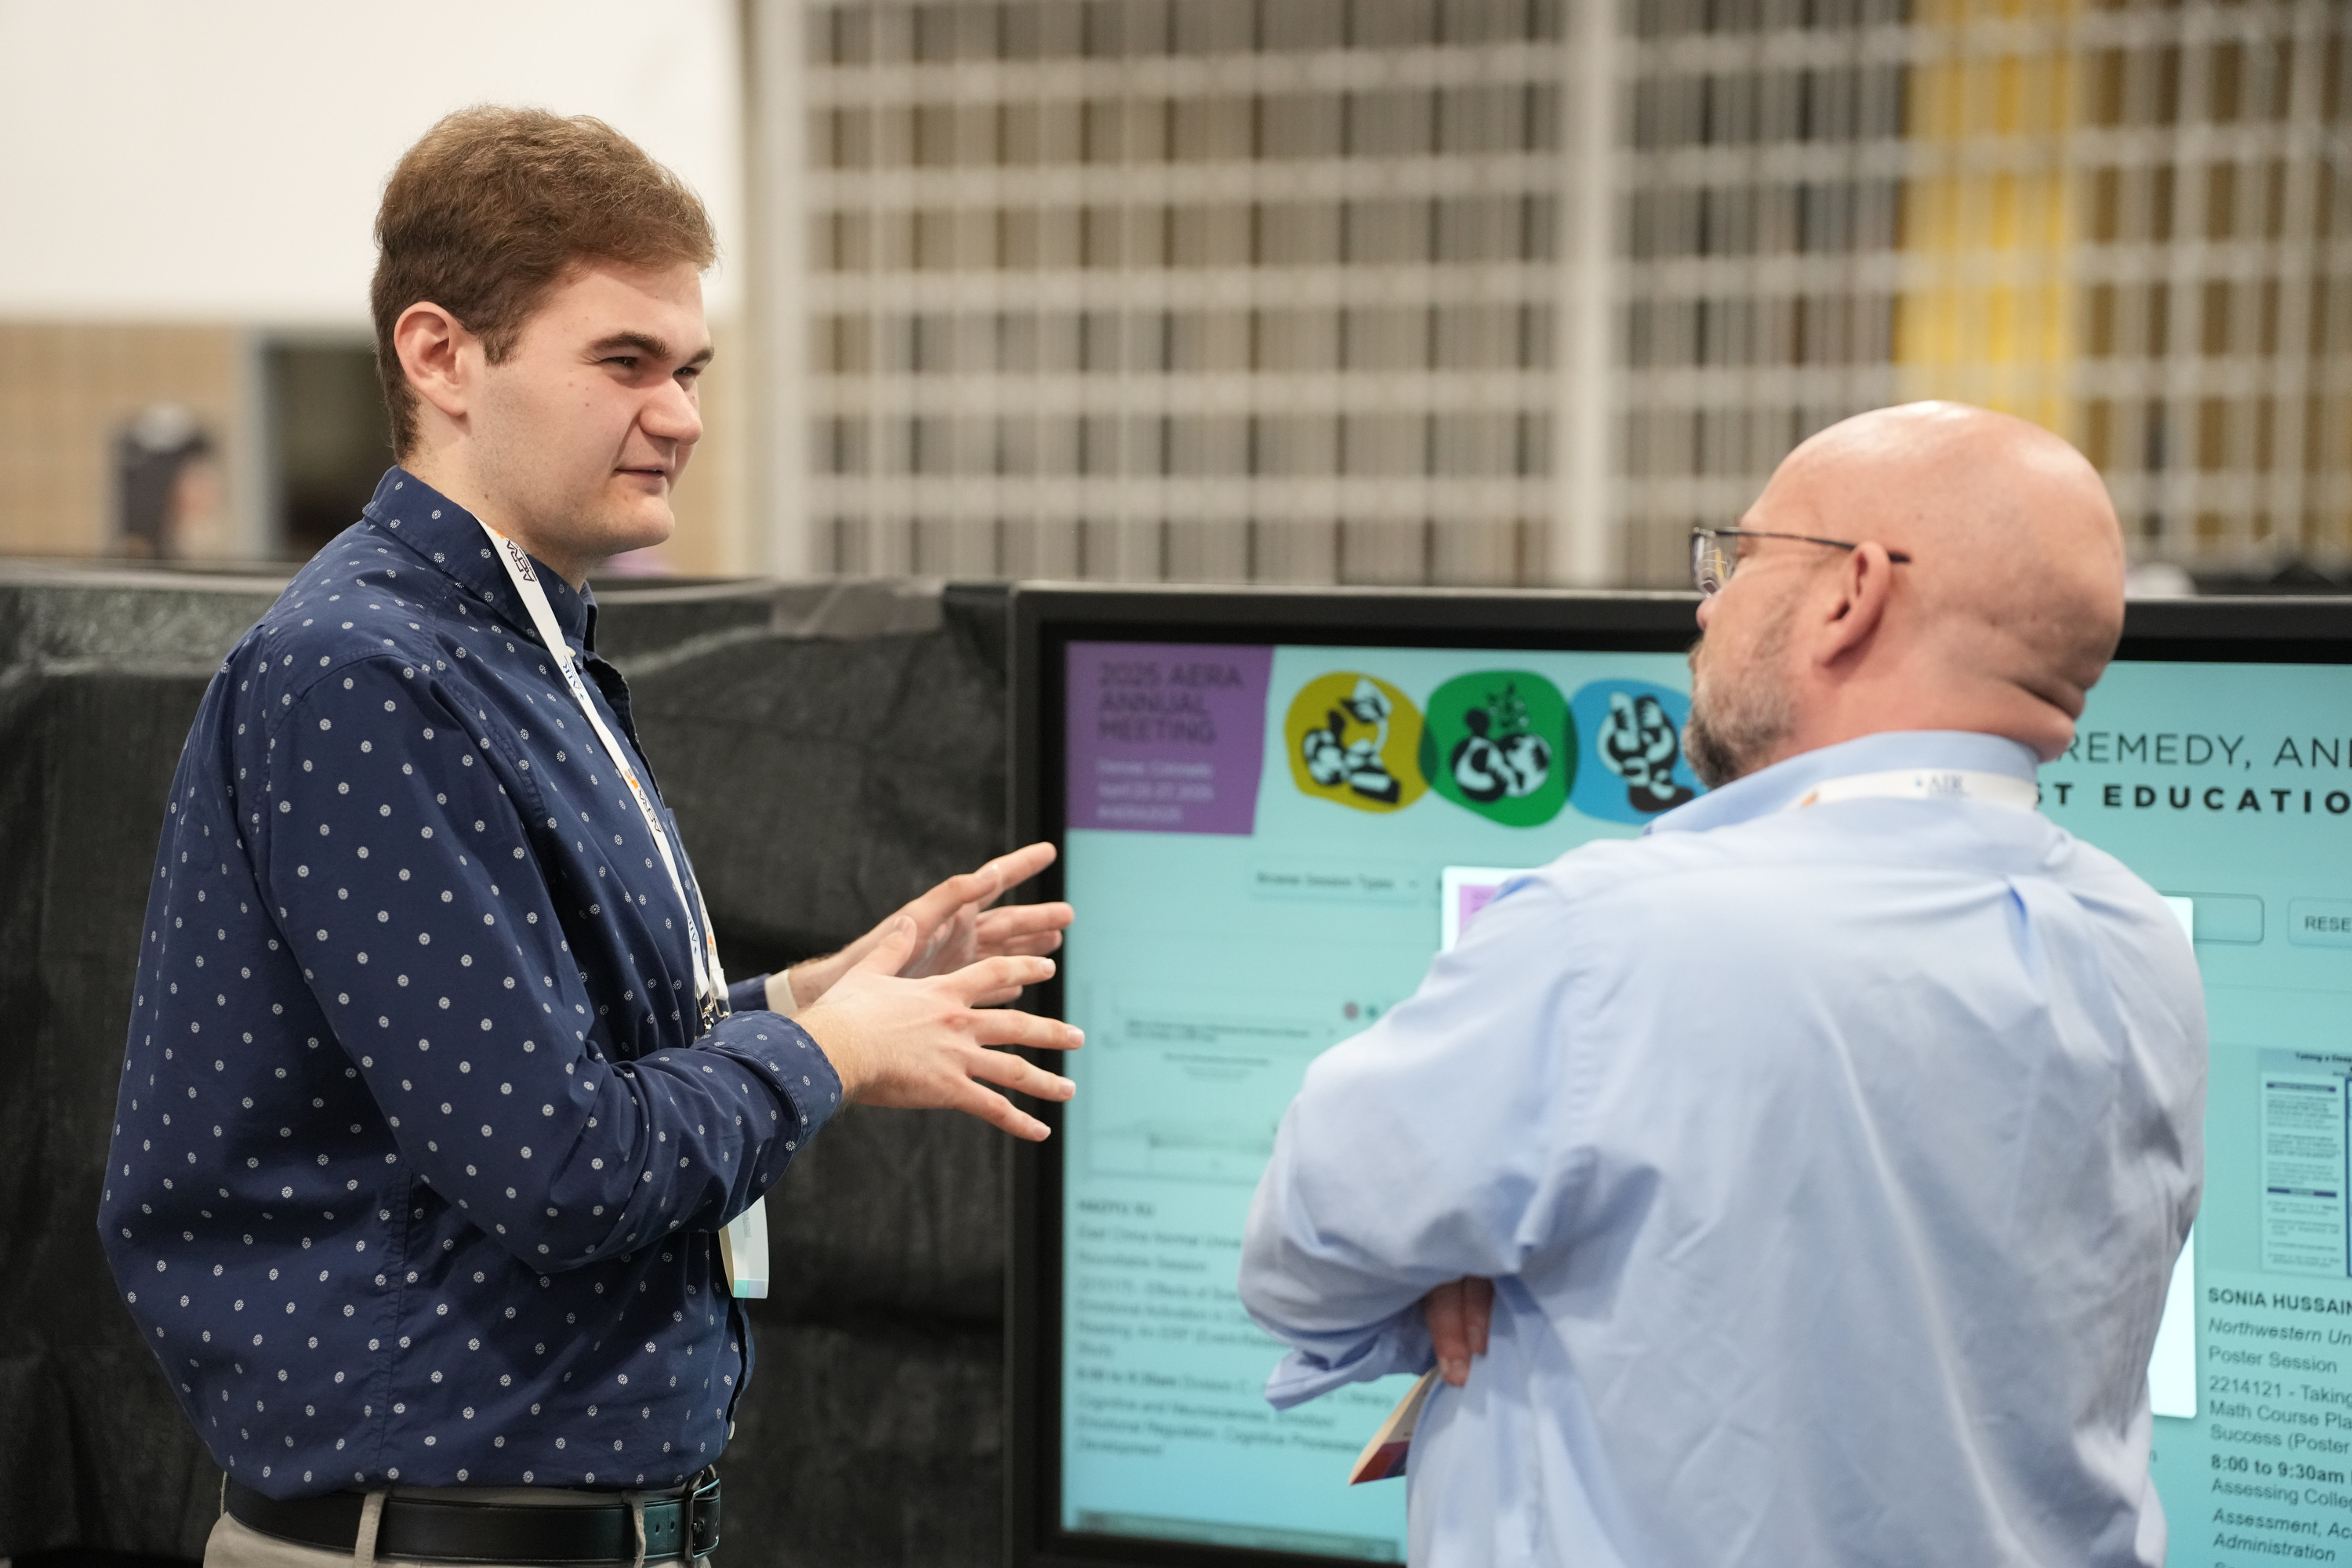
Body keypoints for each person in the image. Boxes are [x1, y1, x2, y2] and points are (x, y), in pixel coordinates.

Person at [98, 107, 1080, 1567]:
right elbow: (563, 1168)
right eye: (624, 362)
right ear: (441, 358)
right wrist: (826, 1054)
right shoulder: (365, 672)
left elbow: (548, 1070)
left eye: (688, 369)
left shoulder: (508, 646)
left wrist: (806, 1000)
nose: (680, 412)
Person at [1238, 402, 2205, 1566]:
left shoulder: (1612, 939)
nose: (1706, 603)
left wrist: (1444, 1265)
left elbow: (1301, 1250)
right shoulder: (2139, 939)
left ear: (1852, 595)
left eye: (1741, 559)